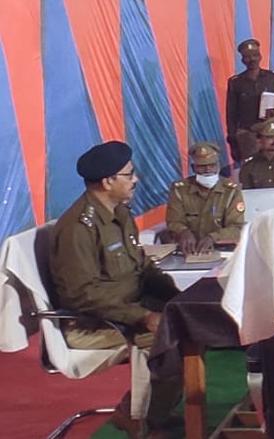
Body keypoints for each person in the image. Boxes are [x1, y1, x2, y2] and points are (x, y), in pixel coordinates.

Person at [50, 141, 182, 438]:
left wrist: (177, 298)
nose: (136, 179)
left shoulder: (120, 214)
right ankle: (139, 417)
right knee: (167, 337)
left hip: (128, 308)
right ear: (108, 181)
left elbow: (142, 267)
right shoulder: (78, 228)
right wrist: (142, 316)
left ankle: (154, 413)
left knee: (186, 321)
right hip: (93, 323)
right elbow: (81, 294)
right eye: (129, 174)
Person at [166, 142, 245, 253]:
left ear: (218, 166)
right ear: (193, 168)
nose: (208, 170)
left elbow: (236, 228)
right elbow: (174, 221)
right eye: (202, 166)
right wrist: (183, 232)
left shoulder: (231, 191)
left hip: (221, 249)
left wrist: (213, 237)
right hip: (188, 249)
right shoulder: (180, 190)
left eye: (212, 165)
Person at [226, 39, 274, 162]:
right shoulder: (236, 82)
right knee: (252, 167)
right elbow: (231, 114)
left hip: (271, 132)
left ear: (260, 56)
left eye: (255, 55)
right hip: (248, 135)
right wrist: (232, 141)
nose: (252, 59)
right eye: (247, 57)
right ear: (242, 60)